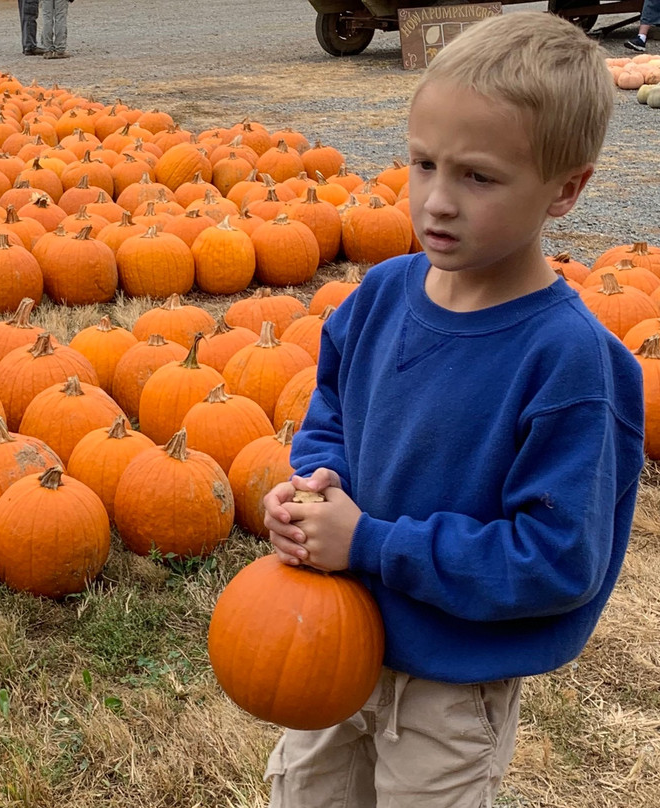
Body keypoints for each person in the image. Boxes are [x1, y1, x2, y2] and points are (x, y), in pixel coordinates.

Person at [261, 11, 643, 808]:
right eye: (424, 163)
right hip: (334, 634)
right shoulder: (381, 296)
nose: (437, 201)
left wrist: (369, 542)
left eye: (478, 177)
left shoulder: (568, 363)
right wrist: (313, 484)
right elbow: (331, 404)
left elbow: (554, 558)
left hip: (450, 676)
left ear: (566, 189)